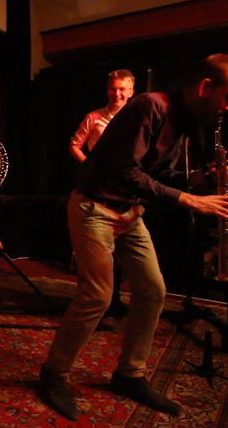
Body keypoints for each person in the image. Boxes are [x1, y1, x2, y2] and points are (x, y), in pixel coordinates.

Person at [39, 54, 228, 421]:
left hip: (130, 213)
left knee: (153, 290)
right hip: (95, 207)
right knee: (97, 295)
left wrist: (202, 180)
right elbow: (126, 171)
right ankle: (53, 374)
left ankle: (129, 374)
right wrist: (188, 199)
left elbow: (161, 175)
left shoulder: (187, 121)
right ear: (205, 87)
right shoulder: (152, 106)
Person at [69, 69, 135, 318]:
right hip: (98, 190)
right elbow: (74, 144)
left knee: (120, 250)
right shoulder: (94, 117)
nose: (117, 94)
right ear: (107, 91)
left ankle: (114, 299)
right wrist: (89, 165)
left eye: (122, 89)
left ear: (131, 91)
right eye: (113, 89)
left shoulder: (136, 119)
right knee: (100, 249)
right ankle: (98, 302)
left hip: (125, 189)